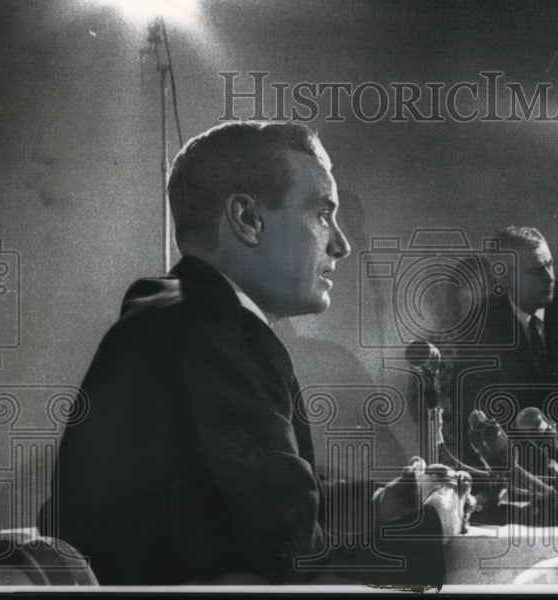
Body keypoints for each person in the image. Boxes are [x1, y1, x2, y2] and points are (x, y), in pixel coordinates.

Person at [38, 121, 467, 585]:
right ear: (247, 218)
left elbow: (256, 506)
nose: (341, 245)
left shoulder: (169, 310)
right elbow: (301, 572)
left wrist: (379, 506)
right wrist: (436, 522)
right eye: (323, 214)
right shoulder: (224, 335)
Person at [451, 226, 558, 461]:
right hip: (518, 464)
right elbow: (470, 409)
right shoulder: (480, 325)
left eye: (550, 265)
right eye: (536, 271)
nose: (549, 278)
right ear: (504, 276)